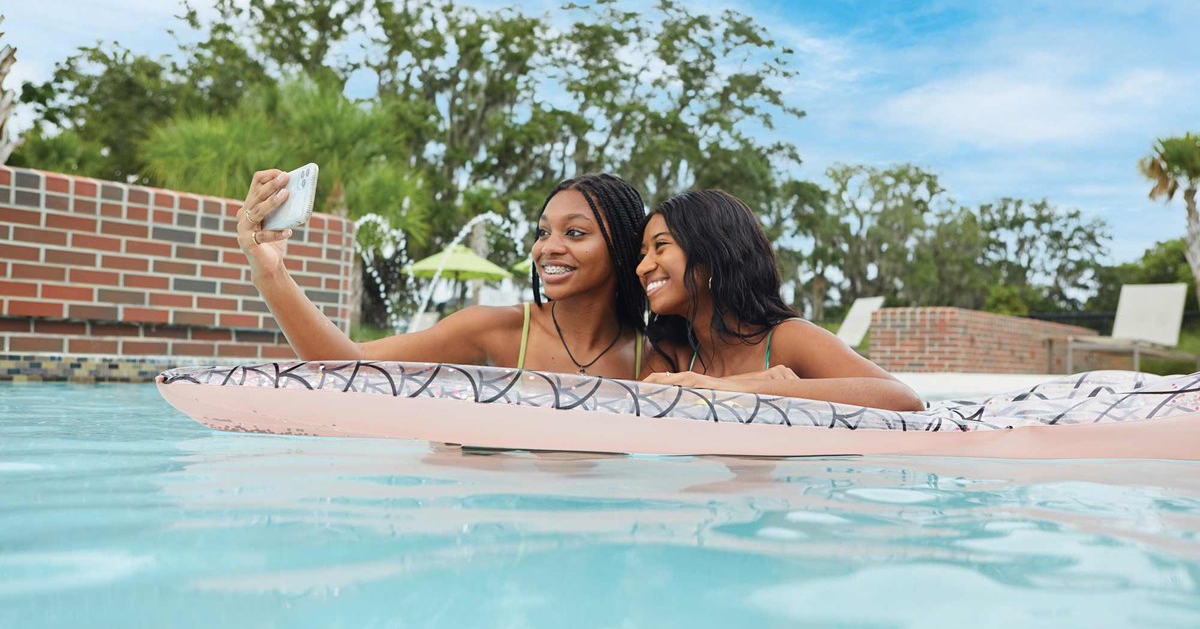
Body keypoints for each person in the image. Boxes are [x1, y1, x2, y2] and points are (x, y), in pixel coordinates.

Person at [238, 170, 648, 377]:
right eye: (543, 232)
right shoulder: (498, 331)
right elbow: (349, 362)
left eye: (574, 233)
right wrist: (270, 272)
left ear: (625, 247)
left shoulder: (656, 357)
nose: (548, 247)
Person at [635, 189, 922, 411]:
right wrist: (740, 383)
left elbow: (904, 399)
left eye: (661, 246)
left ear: (712, 255)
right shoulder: (674, 353)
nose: (642, 268)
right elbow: (634, 417)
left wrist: (735, 388)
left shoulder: (787, 339)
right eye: (643, 254)